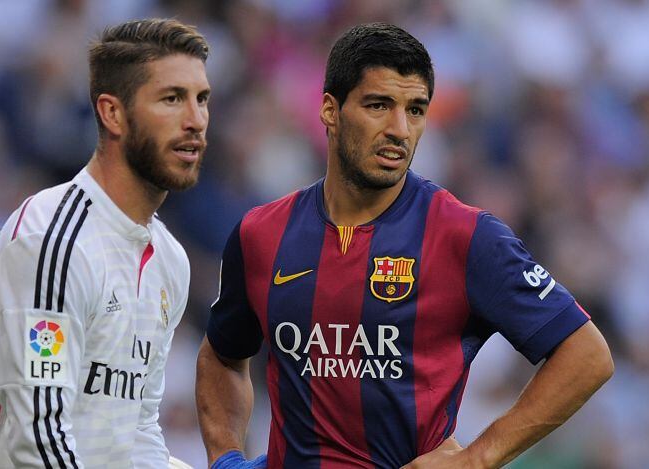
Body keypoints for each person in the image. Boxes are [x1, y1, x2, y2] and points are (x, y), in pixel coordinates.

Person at [196, 22, 614, 469]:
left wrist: (477, 458)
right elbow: (223, 354)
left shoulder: (466, 235)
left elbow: (586, 354)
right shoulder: (261, 233)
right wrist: (225, 459)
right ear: (329, 110)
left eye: (415, 110)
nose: (400, 129)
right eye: (379, 105)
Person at [0, 18, 210, 468]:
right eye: (172, 99)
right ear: (112, 113)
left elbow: (135, 433)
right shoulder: (50, 241)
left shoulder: (168, 261)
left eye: (202, 99)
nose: (196, 120)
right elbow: (38, 440)